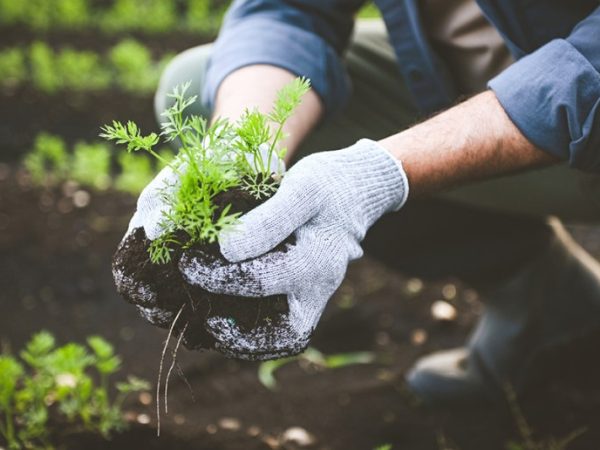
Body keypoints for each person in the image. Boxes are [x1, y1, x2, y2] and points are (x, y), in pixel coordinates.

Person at [123, 0, 600, 405]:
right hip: (484, 87)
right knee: (202, 87)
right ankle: (544, 296)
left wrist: (379, 173)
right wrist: (240, 152)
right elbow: (291, 11)